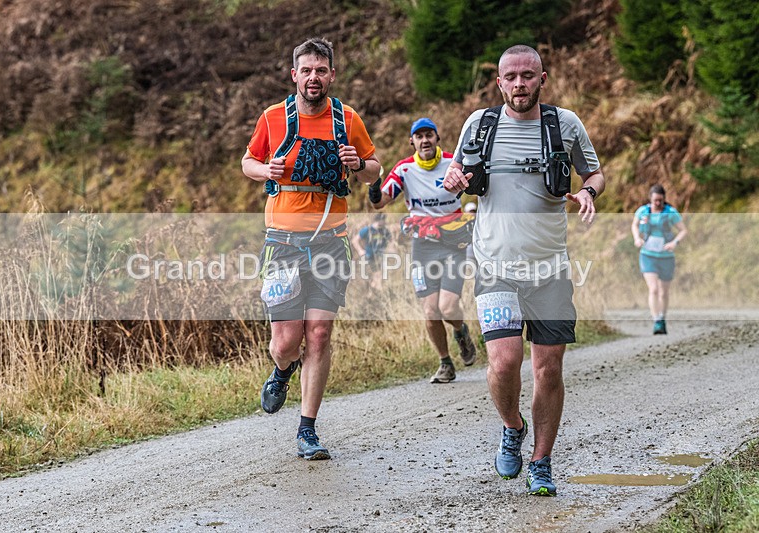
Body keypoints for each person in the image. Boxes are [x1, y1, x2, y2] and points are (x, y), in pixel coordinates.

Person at [443, 45, 605, 496]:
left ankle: (542, 462)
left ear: (542, 78)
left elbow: (595, 173)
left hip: (550, 268)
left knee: (549, 369)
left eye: (527, 76)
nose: (519, 85)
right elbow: (457, 173)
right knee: (504, 362)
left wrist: (590, 191)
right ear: (499, 83)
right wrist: (453, 180)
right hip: (495, 267)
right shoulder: (480, 124)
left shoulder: (565, 125)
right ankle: (512, 426)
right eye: (510, 77)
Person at [241, 37, 381, 460]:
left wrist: (358, 163)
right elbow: (247, 162)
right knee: (287, 341)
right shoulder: (273, 118)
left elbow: (375, 171)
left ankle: (308, 429)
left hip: (330, 242)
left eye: (321, 70)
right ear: (294, 75)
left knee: (319, 334)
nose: (314, 77)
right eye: (307, 70)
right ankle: (282, 370)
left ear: (332, 75)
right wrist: (267, 169)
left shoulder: (347, 119)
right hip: (282, 243)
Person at [369, 117, 477, 384]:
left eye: (430, 135)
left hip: (453, 242)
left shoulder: (454, 163)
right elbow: (381, 202)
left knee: (448, 307)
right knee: (430, 311)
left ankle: (461, 331)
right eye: (419, 136)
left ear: (437, 138)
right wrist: (372, 184)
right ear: (412, 142)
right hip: (423, 245)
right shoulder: (404, 170)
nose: (425, 140)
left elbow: (478, 188)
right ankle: (445, 363)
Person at [631, 184, 687, 334]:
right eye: (655, 200)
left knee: (664, 292)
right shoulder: (643, 211)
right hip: (648, 255)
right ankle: (656, 320)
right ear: (650, 199)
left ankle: (662, 318)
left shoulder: (671, 212)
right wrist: (637, 238)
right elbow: (634, 225)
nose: (658, 203)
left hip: (666, 256)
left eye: (660, 200)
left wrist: (674, 243)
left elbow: (683, 230)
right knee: (654, 289)